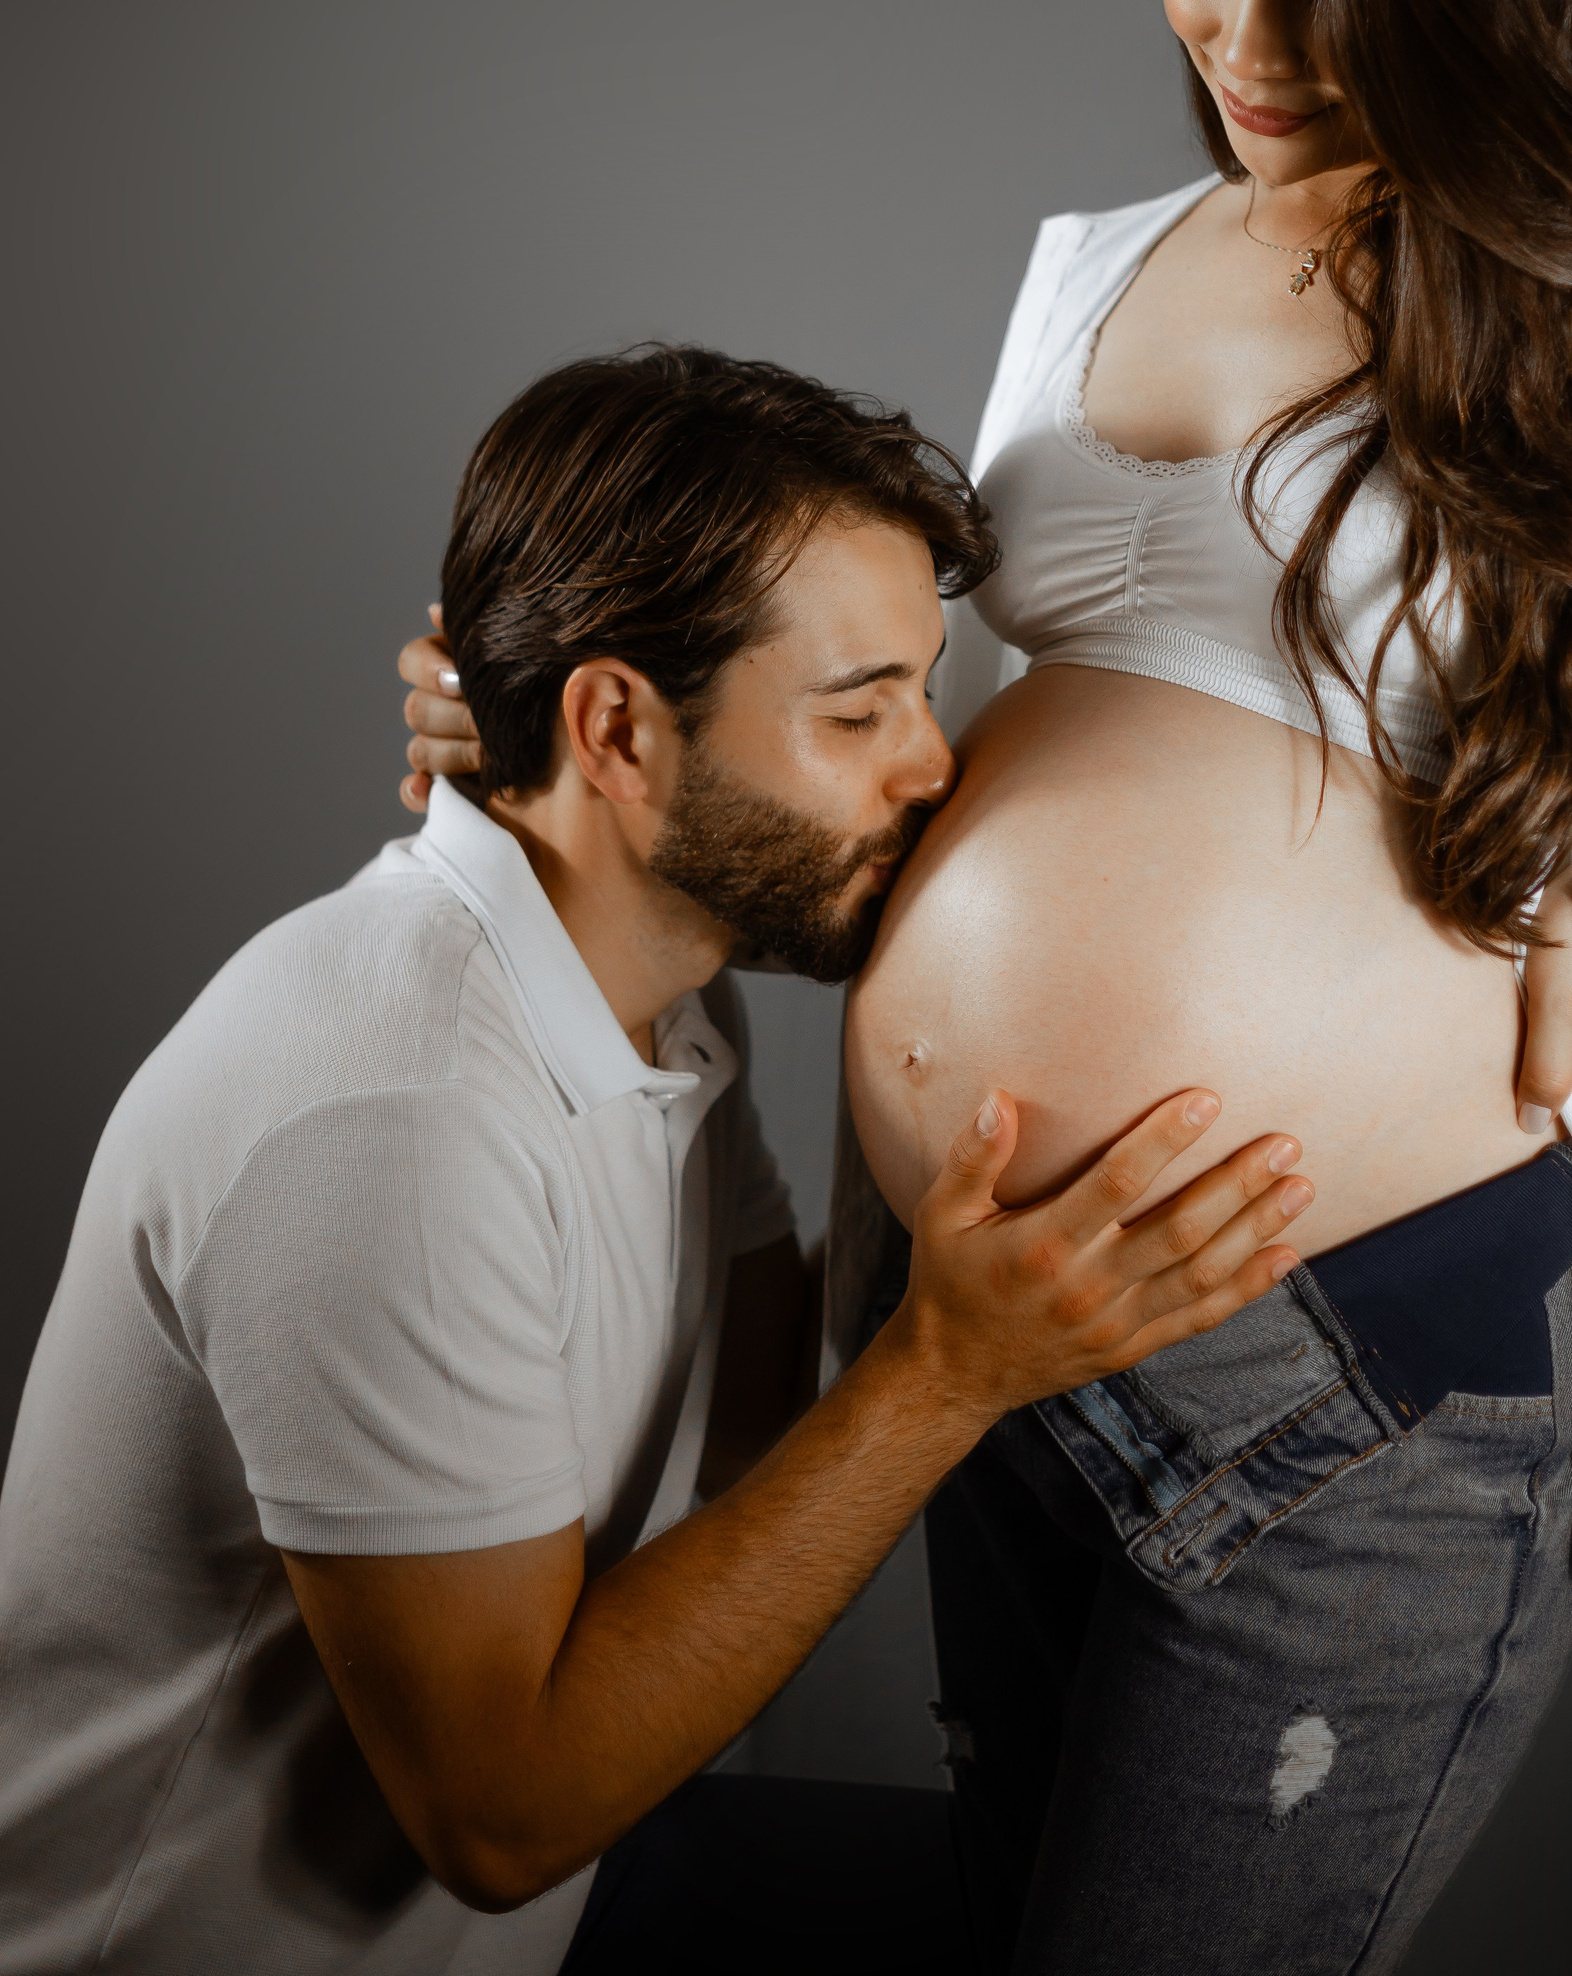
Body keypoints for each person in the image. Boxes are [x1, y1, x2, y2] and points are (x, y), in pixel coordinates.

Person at [400, 0, 1572, 1974]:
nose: (1249, 43)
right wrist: (575, 745)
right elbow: (956, 753)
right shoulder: (1101, 263)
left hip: (1350, 1379)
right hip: (988, 1323)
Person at [0, 347, 1313, 1976]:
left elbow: (746, 1424)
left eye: (921, 693)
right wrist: (951, 1373)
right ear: (617, 729)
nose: (932, 764)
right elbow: (503, 1817)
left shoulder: (666, 998)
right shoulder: (392, 1116)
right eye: (859, 712)